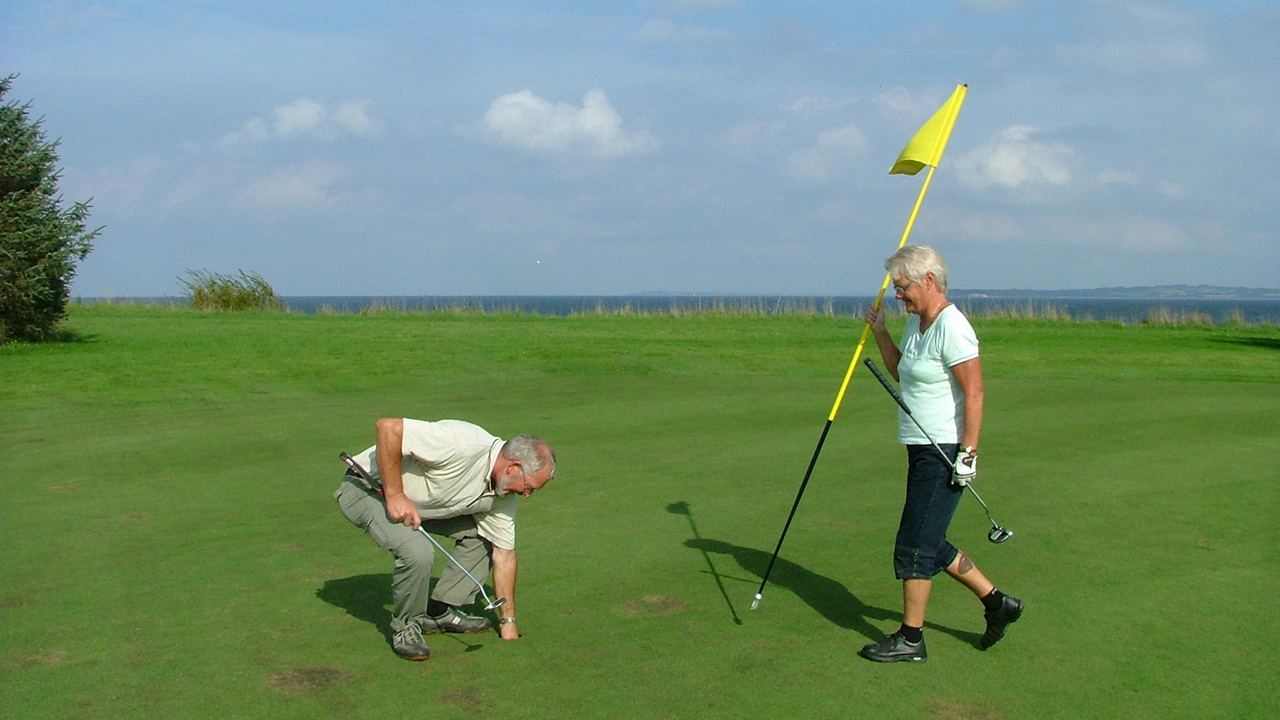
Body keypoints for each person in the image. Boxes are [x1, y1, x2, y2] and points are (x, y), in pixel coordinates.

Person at [859, 244, 1023, 663]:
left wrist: (969, 453)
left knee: (914, 545)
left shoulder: (953, 326)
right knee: (929, 539)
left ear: (928, 280)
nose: (899, 294)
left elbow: (975, 391)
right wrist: (880, 332)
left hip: (944, 450)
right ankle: (998, 603)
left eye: (903, 286)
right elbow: (902, 372)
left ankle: (911, 638)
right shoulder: (917, 324)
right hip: (920, 447)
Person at [334, 417, 556, 661]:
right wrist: (395, 495)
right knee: (418, 552)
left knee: (485, 536)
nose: (527, 495)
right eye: (529, 488)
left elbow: (504, 554)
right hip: (367, 487)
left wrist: (508, 622)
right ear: (513, 467)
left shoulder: (504, 496)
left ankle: (439, 611)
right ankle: (406, 628)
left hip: (418, 505)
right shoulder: (463, 443)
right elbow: (389, 428)